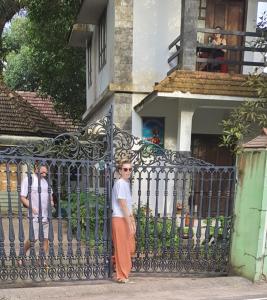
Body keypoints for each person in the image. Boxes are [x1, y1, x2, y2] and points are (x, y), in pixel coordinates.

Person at [20, 163, 54, 265]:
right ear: (36, 168)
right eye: (42, 172)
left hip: (46, 215)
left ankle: (41, 260)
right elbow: (22, 197)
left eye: (45, 172)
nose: (44, 174)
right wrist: (32, 208)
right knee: (33, 239)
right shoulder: (29, 180)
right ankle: (22, 255)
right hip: (34, 216)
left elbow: (50, 194)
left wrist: (51, 201)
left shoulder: (45, 182)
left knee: (45, 239)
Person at [112, 158, 136, 283]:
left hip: (124, 218)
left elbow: (127, 205)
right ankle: (121, 275)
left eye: (130, 169)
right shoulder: (121, 183)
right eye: (125, 169)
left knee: (128, 247)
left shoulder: (125, 183)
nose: (128, 171)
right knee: (122, 248)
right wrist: (129, 222)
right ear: (120, 171)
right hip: (120, 219)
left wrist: (132, 220)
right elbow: (122, 203)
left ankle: (123, 273)